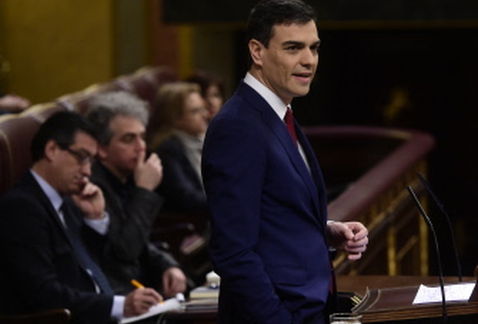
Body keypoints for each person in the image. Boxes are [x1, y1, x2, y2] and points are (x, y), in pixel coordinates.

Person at [201, 1, 369, 323]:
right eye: (293, 48)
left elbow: (268, 212)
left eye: (314, 48)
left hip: (309, 306)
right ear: (257, 51)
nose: (308, 61)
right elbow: (232, 250)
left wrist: (326, 231)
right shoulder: (237, 126)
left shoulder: (279, 114)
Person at [0, 111, 162, 324]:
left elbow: (100, 267)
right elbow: (44, 294)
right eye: (81, 157)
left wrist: (96, 219)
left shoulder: (67, 198)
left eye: (91, 161)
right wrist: (121, 305)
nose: (87, 171)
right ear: (52, 150)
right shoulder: (21, 207)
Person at [84, 91, 187, 297]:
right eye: (129, 139)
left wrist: (168, 265)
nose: (141, 148)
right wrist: (145, 191)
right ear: (101, 149)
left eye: (142, 137)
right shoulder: (92, 187)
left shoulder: (127, 176)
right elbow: (125, 252)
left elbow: (143, 242)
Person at [151, 82, 209, 215]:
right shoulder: (167, 149)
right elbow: (188, 199)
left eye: (203, 108)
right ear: (175, 118)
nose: (205, 115)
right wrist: (227, 202)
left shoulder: (204, 139)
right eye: (195, 111)